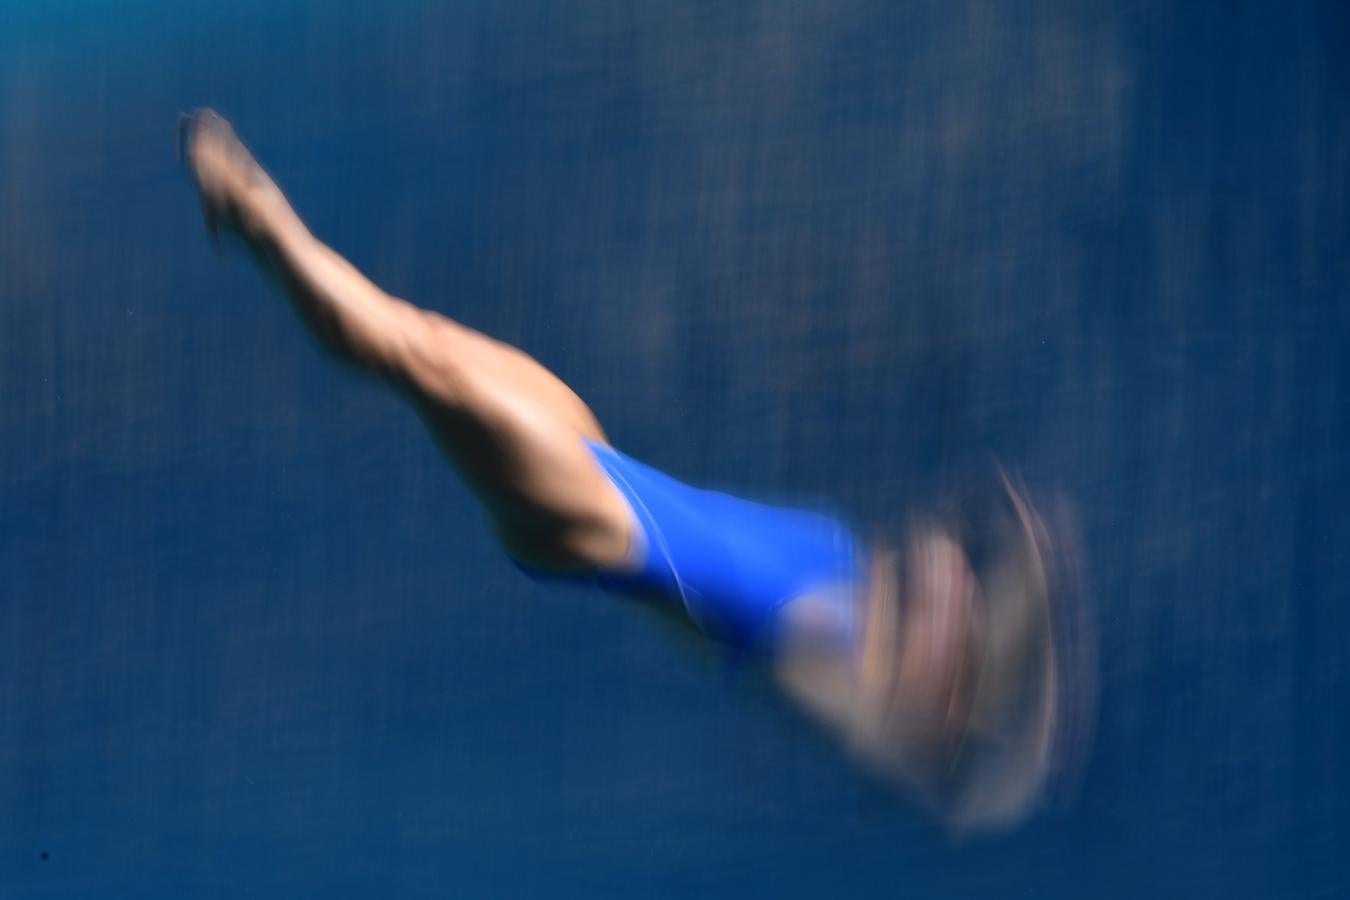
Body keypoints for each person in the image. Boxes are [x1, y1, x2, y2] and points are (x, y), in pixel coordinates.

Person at [178, 109, 1092, 831]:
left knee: (410, 354)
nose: (945, 582)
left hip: (582, 517)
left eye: (951, 620)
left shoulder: (821, 659)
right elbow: (944, 575)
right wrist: (1023, 582)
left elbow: (892, 725)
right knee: (421, 338)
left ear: (929, 690)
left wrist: (959, 732)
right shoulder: (860, 574)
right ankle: (255, 212)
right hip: (597, 453)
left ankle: (253, 211)